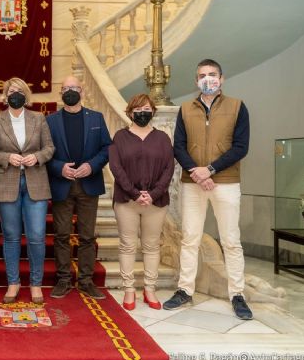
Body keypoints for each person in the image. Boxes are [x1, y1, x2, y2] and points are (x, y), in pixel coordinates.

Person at [163, 58, 252, 320]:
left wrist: (210, 170)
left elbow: (241, 147)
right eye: (202, 75)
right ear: (196, 81)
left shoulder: (238, 107)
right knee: (189, 238)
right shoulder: (185, 109)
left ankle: (237, 294)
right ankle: (185, 290)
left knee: (231, 240)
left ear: (222, 79)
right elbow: (178, 146)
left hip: (226, 182)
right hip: (193, 182)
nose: (207, 79)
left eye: (212, 74)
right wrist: (196, 171)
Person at [0, 77, 55, 304]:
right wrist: (7, 157)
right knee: (11, 237)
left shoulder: (38, 118)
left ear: (26, 95)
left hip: (36, 183)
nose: (16, 94)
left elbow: (49, 148)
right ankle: (13, 283)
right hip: (6, 184)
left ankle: (36, 283)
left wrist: (37, 157)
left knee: (37, 236)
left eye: (20, 91)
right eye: (11, 91)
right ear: (5, 96)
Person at [46, 76, 112, 300]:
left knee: (87, 236)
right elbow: (44, 152)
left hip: (88, 184)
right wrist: (59, 168)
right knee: (61, 235)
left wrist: (91, 166)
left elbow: (107, 148)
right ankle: (63, 280)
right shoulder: (50, 121)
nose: (69, 91)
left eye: (73, 87)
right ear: (60, 93)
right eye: (65, 88)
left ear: (82, 91)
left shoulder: (96, 118)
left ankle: (85, 281)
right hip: (61, 184)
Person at [108, 94, 174, 310]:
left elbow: (169, 168)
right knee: (128, 245)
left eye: (146, 109)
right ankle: (129, 290)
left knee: (151, 246)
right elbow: (116, 167)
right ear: (130, 112)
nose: (142, 113)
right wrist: (135, 193)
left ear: (153, 111)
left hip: (156, 202)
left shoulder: (162, 138)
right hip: (127, 201)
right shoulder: (120, 137)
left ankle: (150, 289)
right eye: (138, 109)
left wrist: (153, 194)